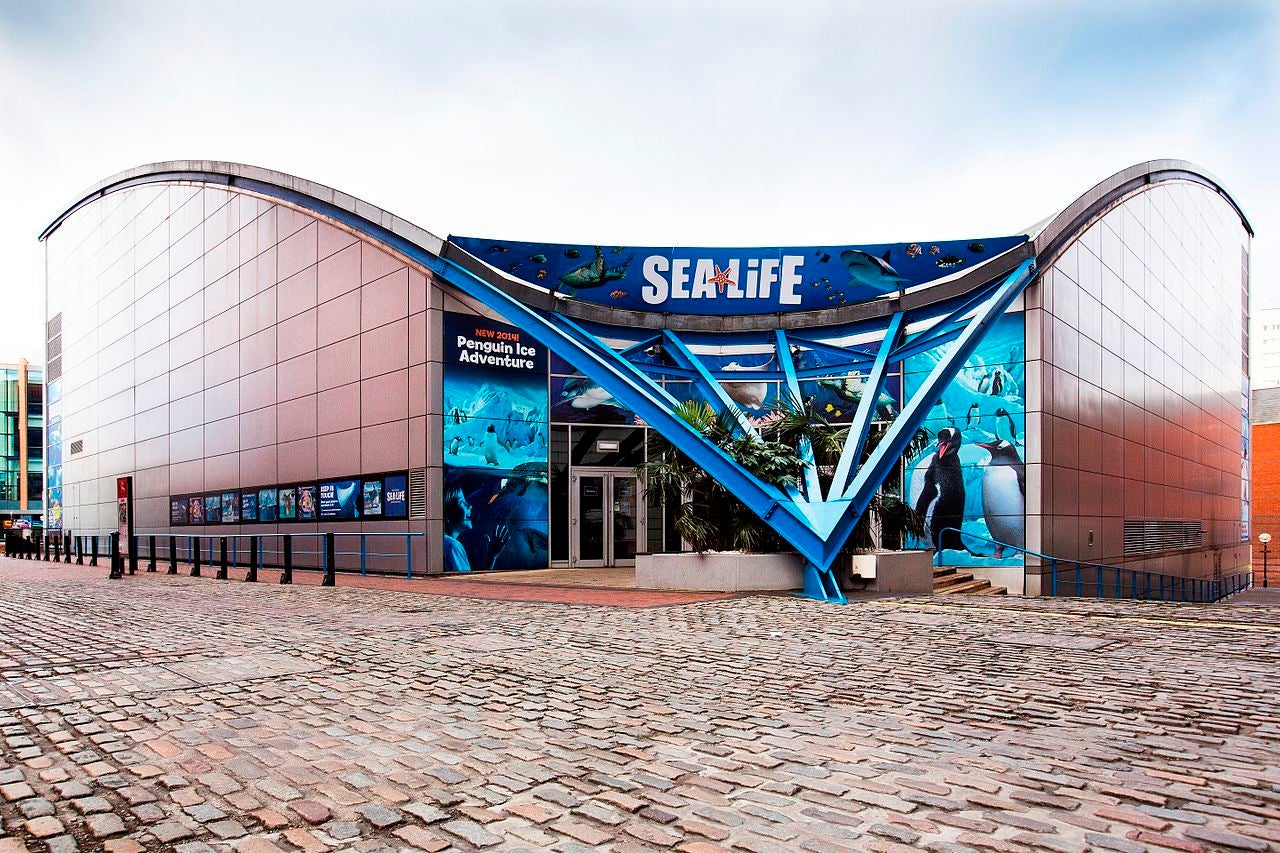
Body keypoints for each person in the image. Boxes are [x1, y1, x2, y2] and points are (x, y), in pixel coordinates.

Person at [442, 486, 509, 572]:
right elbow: (468, 585)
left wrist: (491, 555)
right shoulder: (452, 546)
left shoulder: (441, 542)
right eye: (462, 502)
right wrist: (492, 556)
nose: (470, 506)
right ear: (446, 515)